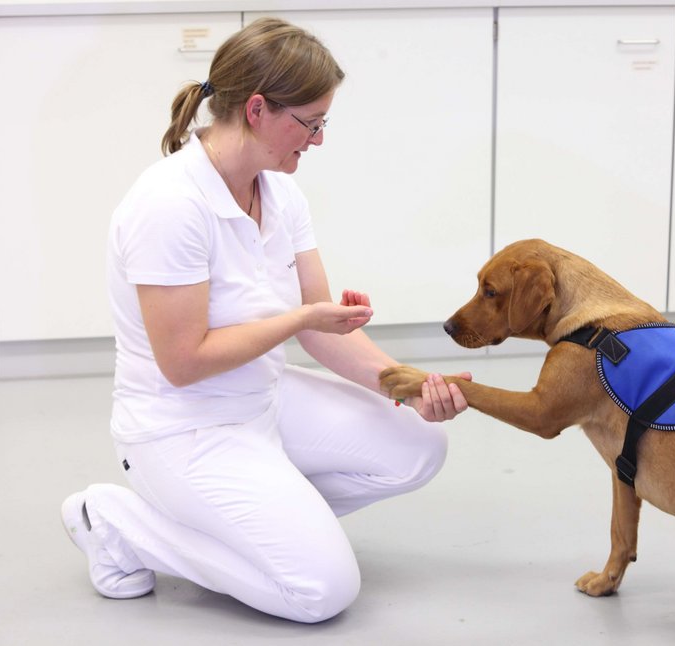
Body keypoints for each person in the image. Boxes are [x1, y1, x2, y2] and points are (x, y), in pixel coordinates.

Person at [60, 17, 469, 623]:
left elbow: (322, 333)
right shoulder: (169, 205)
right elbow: (183, 362)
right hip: (183, 430)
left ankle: (262, 524)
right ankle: (119, 524)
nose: (318, 140)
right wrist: (299, 316)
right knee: (320, 591)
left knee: (419, 444)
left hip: (265, 400)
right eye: (311, 123)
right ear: (257, 110)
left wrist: (409, 387)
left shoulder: (279, 193)